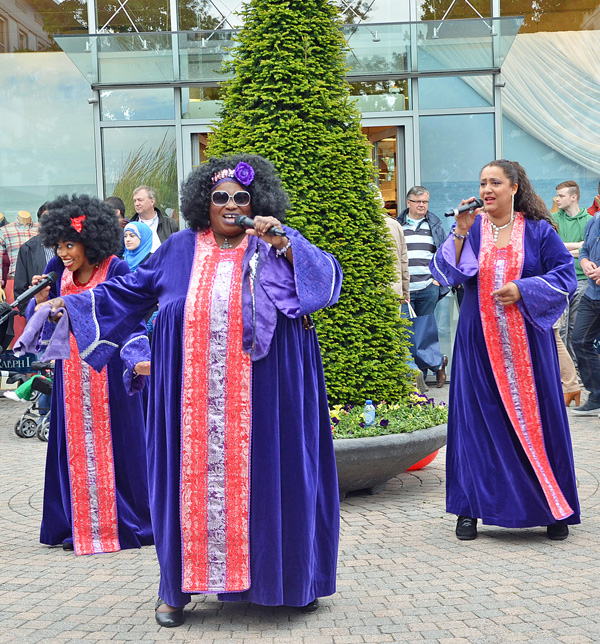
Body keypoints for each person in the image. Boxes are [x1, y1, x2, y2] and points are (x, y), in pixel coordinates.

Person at [38, 154, 343, 628]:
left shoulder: (274, 247)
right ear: (204, 201)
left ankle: (288, 582)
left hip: (267, 400)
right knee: (180, 488)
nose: (230, 204)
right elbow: (129, 293)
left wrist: (284, 240)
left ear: (255, 202)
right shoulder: (178, 248)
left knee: (272, 480)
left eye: (241, 197)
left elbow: (324, 286)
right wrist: (72, 304)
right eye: (219, 196)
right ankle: (175, 592)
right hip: (187, 401)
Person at [430, 159, 580, 541]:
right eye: (482, 183)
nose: (486, 190)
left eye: (495, 182)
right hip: (478, 346)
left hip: (529, 348)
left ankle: (552, 508)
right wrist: (460, 233)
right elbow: (448, 275)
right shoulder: (472, 230)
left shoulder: (539, 232)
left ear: (514, 188)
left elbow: (564, 276)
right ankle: (470, 509)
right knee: (475, 427)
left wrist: (523, 289)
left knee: (539, 423)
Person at [24, 194, 154, 554]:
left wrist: (138, 360)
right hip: (71, 374)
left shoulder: (115, 268)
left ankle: (126, 520)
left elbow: (132, 317)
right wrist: (41, 302)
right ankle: (75, 520)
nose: (64, 252)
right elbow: (49, 329)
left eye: (70, 244)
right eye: (59, 244)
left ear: (90, 240)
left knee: (122, 445)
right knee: (73, 445)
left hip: (111, 372)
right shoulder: (56, 269)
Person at [398, 186, 448, 387]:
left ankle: (423, 378)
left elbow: (445, 256)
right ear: (408, 202)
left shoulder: (434, 226)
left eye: (425, 202)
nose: (422, 205)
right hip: (405, 290)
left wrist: (437, 281)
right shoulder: (398, 225)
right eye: (418, 201)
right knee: (407, 332)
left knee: (425, 333)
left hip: (428, 287)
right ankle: (438, 363)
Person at [552, 180, 591, 363]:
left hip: (583, 281)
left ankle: (575, 370)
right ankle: (563, 370)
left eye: (561, 196)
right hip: (560, 280)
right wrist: (578, 248)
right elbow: (553, 248)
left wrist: (564, 249)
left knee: (576, 329)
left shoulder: (589, 221)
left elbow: (589, 250)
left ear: (573, 197)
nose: (557, 199)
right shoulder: (553, 219)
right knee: (560, 329)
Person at [571, 211, 600, 415]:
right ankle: (597, 395)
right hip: (591, 294)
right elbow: (585, 251)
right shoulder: (593, 222)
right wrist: (584, 262)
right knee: (579, 341)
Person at [130, 186, 179, 252]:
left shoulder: (170, 224)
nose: (136, 204)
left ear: (152, 201)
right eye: (134, 201)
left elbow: (178, 250)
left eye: (140, 200)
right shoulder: (130, 226)